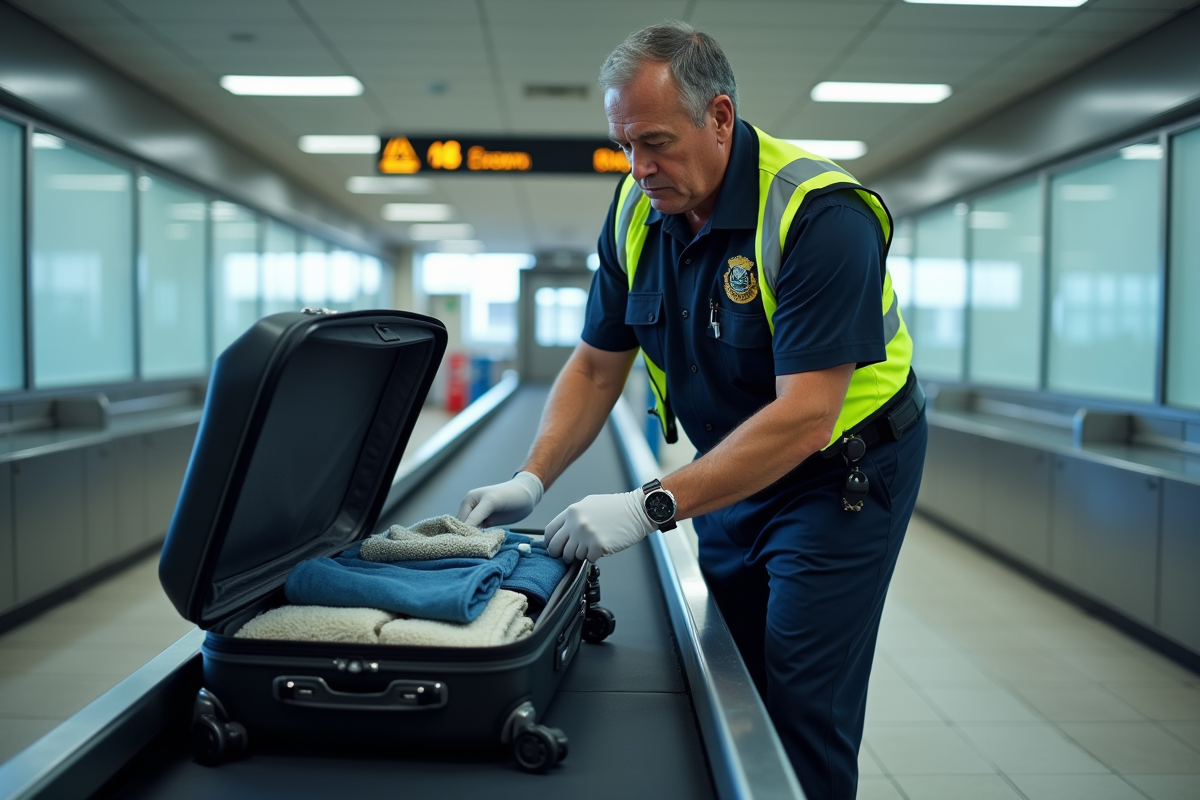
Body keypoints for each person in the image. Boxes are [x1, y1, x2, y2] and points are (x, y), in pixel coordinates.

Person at [456, 21, 927, 800]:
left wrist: (648, 504)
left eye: (656, 143)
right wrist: (531, 478)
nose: (639, 168)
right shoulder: (636, 211)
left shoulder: (820, 217)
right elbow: (597, 365)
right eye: (624, 145)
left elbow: (807, 417)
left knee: (801, 698)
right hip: (735, 466)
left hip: (840, 474)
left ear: (720, 118)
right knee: (731, 675)